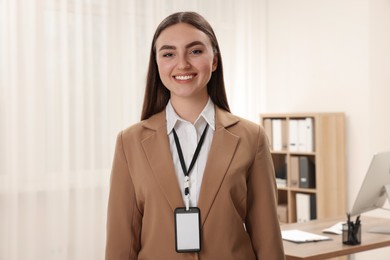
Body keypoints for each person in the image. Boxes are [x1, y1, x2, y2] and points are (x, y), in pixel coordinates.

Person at [105, 11, 285, 260]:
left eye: (195, 51)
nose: (182, 64)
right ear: (157, 64)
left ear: (214, 61)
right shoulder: (130, 142)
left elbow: (268, 240)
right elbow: (121, 245)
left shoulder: (251, 138)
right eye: (168, 54)